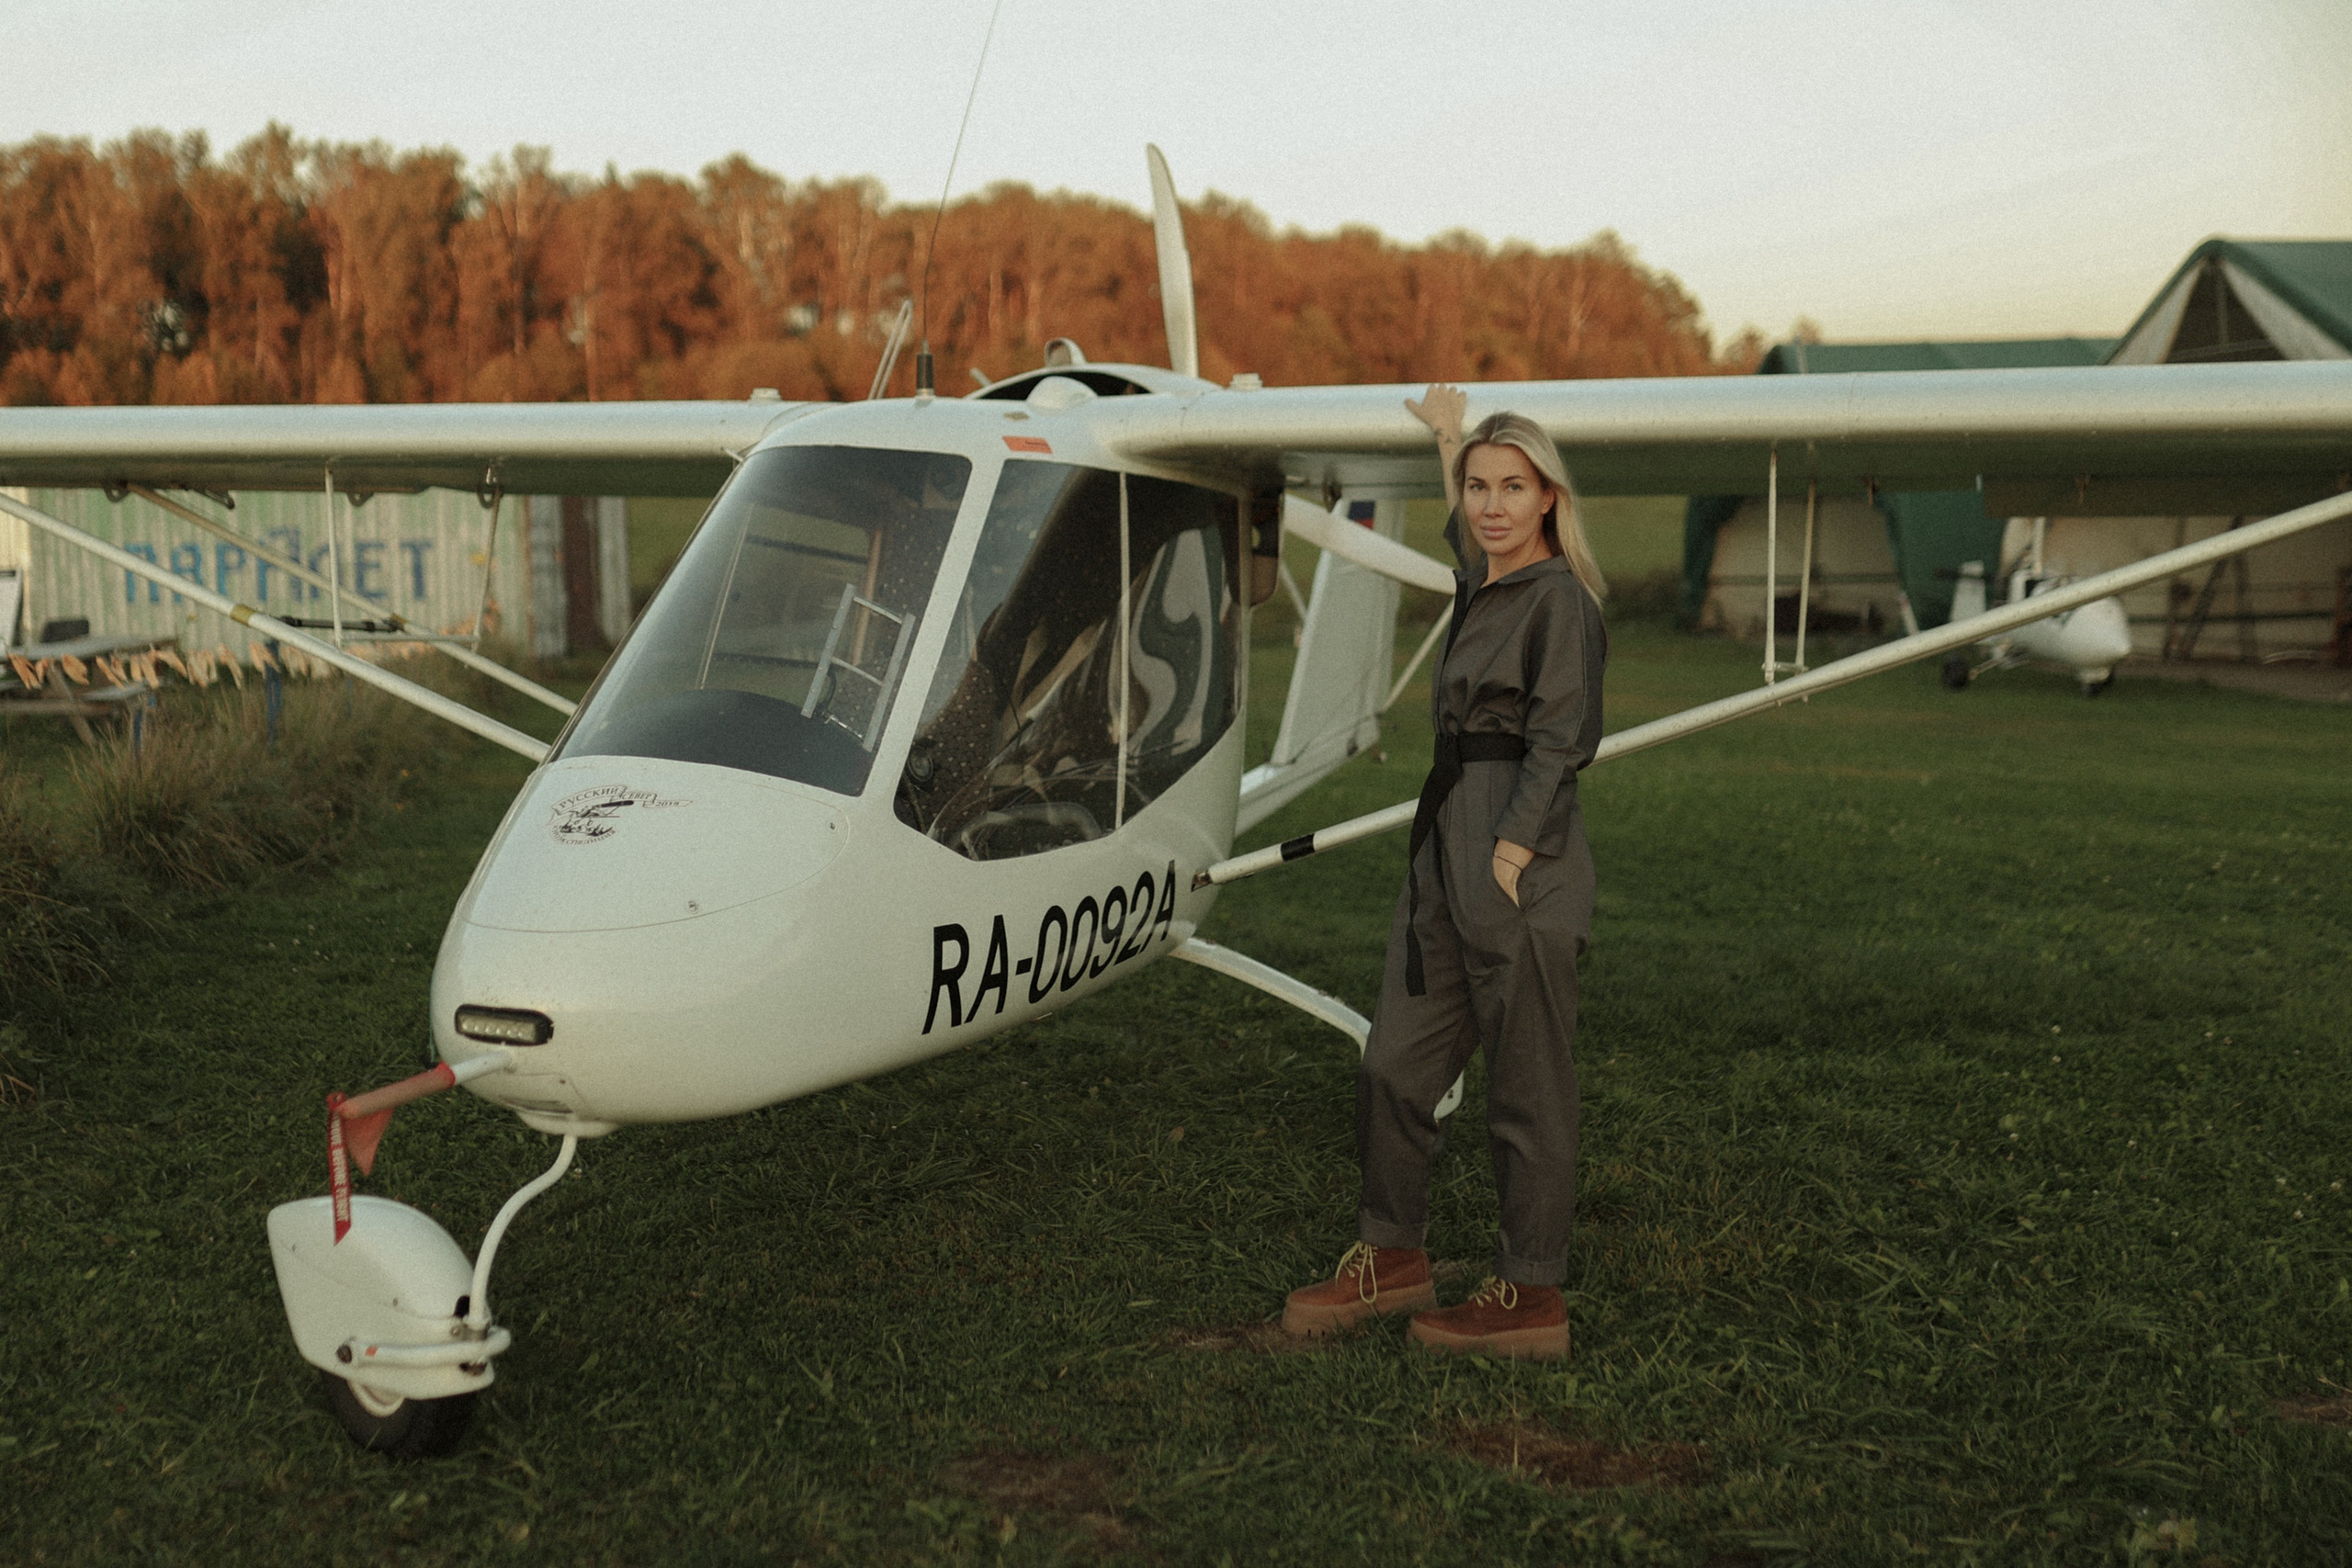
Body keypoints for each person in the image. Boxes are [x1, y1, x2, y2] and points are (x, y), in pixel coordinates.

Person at [1282, 384, 1609, 1359]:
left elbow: (1561, 742)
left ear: (1549, 496)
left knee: (1525, 1084)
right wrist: (1447, 437)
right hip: (1441, 848)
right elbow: (1471, 552)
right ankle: (1394, 1256)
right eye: (1477, 487)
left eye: (1513, 487)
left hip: (1518, 855)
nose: (1491, 505)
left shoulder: (1561, 602)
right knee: (1393, 1060)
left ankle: (1529, 1294)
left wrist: (1509, 854)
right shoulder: (1487, 581)